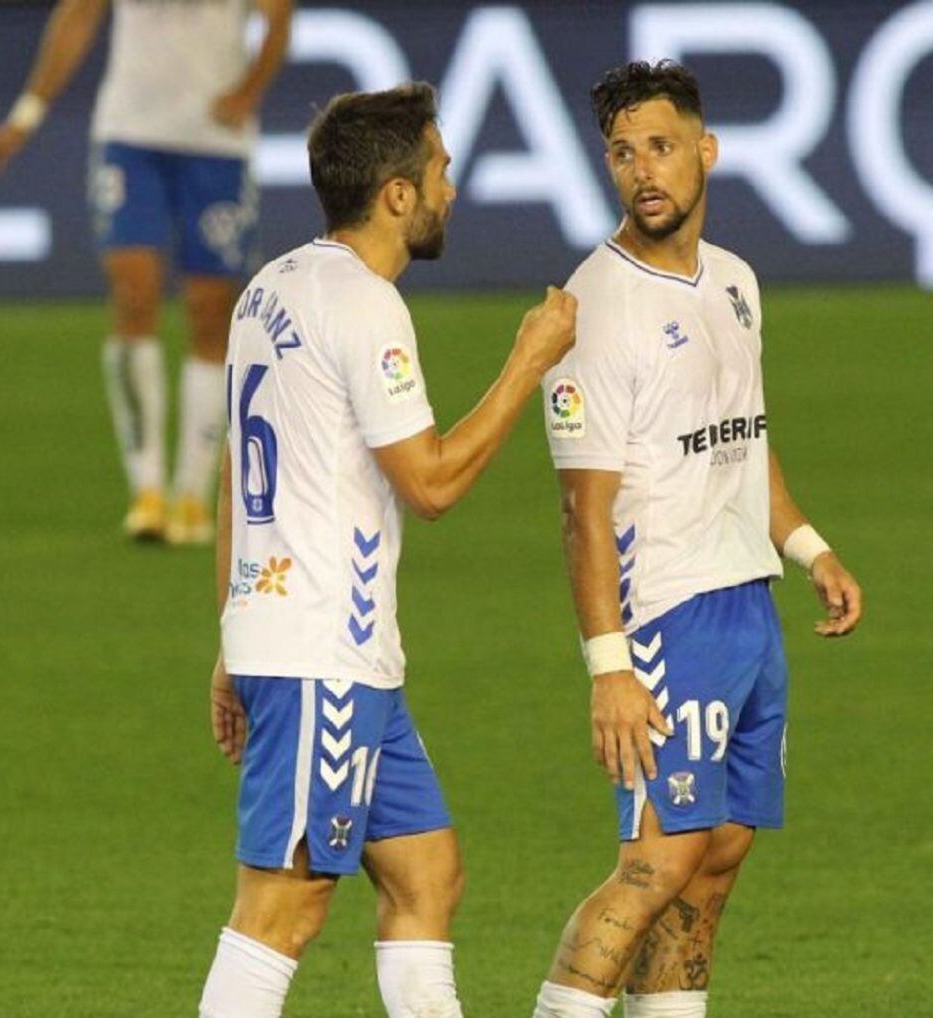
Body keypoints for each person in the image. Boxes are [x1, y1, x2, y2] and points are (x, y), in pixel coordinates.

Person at [198, 82, 576, 1018]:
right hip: (322, 651)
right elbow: (433, 482)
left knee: (425, 874)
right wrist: (530, 359)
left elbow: (235, 482)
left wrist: (232, 625)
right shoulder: (364, 307)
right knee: (283, 904)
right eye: (440, 169)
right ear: (397, 194)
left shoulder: (269, 289)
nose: (452, 185)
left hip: (317, 644)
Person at [531, 61, 863, 1018]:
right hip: (664, 614)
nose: (645, 170)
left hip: (746, 606)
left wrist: (811, 549)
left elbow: (744, 442)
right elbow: (581, 509)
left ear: (705, 153)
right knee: (656, 861)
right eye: (625, 153)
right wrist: (609, 667)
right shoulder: (599, 307)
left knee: (716, 861)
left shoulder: (736, 283)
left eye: (662, 147)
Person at [0, 0, 293, 544]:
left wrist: (248, 91)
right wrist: (26, 116)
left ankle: (192, 490)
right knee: (134, 290)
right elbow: (78, 14)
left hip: (215, 142)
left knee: (211, 309)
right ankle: (146, 489)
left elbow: (279, 14)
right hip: (130, 135)